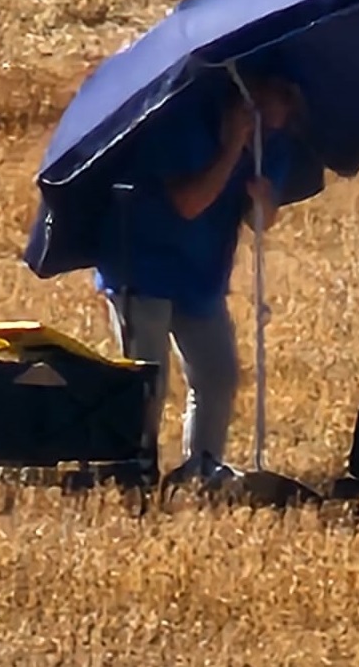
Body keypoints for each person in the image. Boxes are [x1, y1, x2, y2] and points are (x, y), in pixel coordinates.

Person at [93, 74, 303, 487]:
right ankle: (136, 470)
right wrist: (229, 151)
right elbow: (189, 203)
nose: (276, 122)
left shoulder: (271, 145)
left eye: (284, 112)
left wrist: (264, 203)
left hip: (201, 276)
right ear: (244, 100)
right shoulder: (182, 126)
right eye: (268, 109)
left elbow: (260, 220)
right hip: (142, 266)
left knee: (218, 374)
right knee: (147, 380)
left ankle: (202, 468)